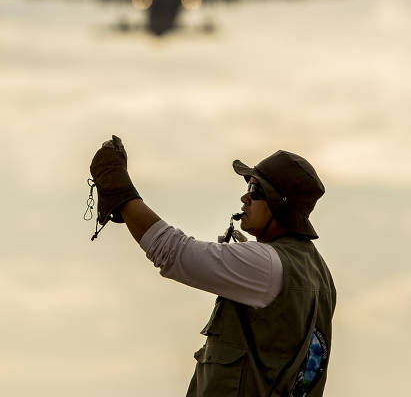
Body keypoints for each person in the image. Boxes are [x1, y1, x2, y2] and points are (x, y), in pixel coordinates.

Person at [89, 136, 336, 397]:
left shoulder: (266, 265)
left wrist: (119, 188)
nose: (244, 197)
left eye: (254, 189)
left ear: (279, 203)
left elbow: (170, 251)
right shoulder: (319, 272)